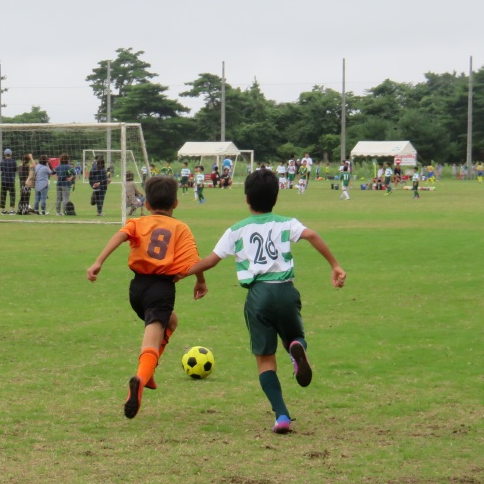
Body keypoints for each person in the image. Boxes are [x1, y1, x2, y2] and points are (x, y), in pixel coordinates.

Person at [182, 168, 346, 434]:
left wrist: (180, 274)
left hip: (258, 296)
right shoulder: (286, 223)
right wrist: (335, 265)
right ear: (276, 197)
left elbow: (210, 261)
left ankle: (281, 416)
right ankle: (296, 347)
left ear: (247, 199)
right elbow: (312, 235)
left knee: (265, 359)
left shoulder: (237, 229)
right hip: (285, 290)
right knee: (295, 337)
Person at [86, 175, 206, 419]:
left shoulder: (137, 222)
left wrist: (99, 261)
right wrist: (200, 280)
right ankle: (140, 380)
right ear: (175, 203)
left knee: (172, 322)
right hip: (161, 290)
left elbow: (120, 235)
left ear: (147, 204)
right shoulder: (180, 228)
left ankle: (149, 372)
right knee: (151, 341)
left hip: (137, 289)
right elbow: (193, 259)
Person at [0, 148, 17, 214]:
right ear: (11, 154)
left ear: (4, 154)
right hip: (11, 180)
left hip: (4, 180)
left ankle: (3, 210)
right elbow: (15, 170)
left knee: (3, 195)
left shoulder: (2, 162)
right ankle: (12, 209)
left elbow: (1, 169)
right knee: (12, 194)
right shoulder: (13, 162)